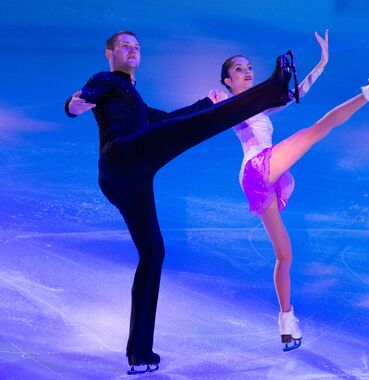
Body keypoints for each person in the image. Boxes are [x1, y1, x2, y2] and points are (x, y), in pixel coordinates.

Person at [64, 30, 293, 374]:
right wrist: (73, 105)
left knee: (153, 252)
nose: (132, 50)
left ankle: (140, 354)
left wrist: (206, 104)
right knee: (189, 130)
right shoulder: (106, 80)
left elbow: (171, 120)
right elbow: (84, 97)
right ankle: (274, 87)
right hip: (122, 157)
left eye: (137, 46)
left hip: (131, 179)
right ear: (109, 53)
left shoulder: (135, 101)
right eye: (125, 45)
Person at [220, 30, 369, 351]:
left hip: (261, 177)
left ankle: (286, 320)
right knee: (317, 130)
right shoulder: (229, 102)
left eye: (248, 66)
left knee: (284, 255)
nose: (247, 70)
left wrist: (322, 63)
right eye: (238, 69)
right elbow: (208, 110)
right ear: (226, 81)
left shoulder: (259, 104)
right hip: (258, 167)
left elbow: (295, 92)